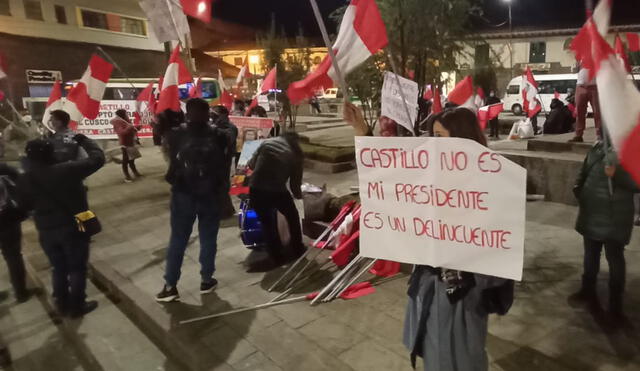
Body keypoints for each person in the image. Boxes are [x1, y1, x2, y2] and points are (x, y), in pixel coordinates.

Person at [403, 108, 514, 371]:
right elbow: (391, 182)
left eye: (441, 136)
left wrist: (468, 272)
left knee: (465, 357)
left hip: (465, 296)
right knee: (435, 354)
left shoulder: (491, 184)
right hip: (431, 289)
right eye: (433, 136)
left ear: (462, 139)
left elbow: (500, 247)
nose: (435, 144)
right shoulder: (432, 177)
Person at [21, 133, 105, 318]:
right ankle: (77, 306)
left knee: (58, 268)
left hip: (45, 230)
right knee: (77, 268)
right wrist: (84, 140)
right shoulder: (66, 169)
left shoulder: (25, 179)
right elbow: (98, 159)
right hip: (73, 226)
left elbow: (23, 206)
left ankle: (61, 303)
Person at [156, 98, 227, 303]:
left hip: (183, 194)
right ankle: (206, 280)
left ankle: (170, 285)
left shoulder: (175, 134)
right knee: (208, 239)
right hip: (210, 194)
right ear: (207, 115)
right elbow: (227, 149)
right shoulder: (219, 135)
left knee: (178, 240)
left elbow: (166, 149)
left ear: (188, 113)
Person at [569, 139, 638, 326]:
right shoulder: (598, 146)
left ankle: (615, 307)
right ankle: (587, 290)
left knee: (614, 258)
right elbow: (584, 169)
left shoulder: (631, 148)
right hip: (592, 212)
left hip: (615, 216)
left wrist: (617, 174)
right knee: (590, 254)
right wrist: (579, 189)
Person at [247, 131, 305, 271]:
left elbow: (251, 164)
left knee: (268, 223)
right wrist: (300, 196)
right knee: (292, 216)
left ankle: (276, 255)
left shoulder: (267, 143)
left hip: (256, 188)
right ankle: (297, 247)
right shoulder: (296, 154)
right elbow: (295, 185)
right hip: (277, 190)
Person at [0, 163, 31, 303]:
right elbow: (22, 178)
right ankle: (20, 292)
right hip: (6, 219)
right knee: (13, 256)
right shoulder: (3, 168)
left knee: (12, 256)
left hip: (6, 219)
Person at [211, 105, 238, 219]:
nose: (212, 114)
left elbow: (228, 138)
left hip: (223, 159)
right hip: (214, 159)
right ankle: (224, 210)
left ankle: (225, 211)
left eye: (214, 112)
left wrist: (214, 130)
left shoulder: (229, 127)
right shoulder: (215, 125)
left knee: (222, 185)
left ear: (222, 114)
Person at [569, 65, 602, 143]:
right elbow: (575, 70)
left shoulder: (596, 54)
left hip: (594, 86)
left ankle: (599, 135)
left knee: (597, 112)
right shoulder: (580, 57)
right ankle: (578, 135)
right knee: (579, 112)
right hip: (580, 86)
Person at [111, 109, 142, 183]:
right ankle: (127, 176)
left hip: (130, 142)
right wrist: (130, 127)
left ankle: (135, 172)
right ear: (122, 115)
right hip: (124, 144)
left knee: (132, 159)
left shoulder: (125, 121)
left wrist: (136, 128)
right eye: (126, 114)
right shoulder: (118, 122)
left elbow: (130, 129)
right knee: (126, 160)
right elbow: (121, 132)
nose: (127, 115)